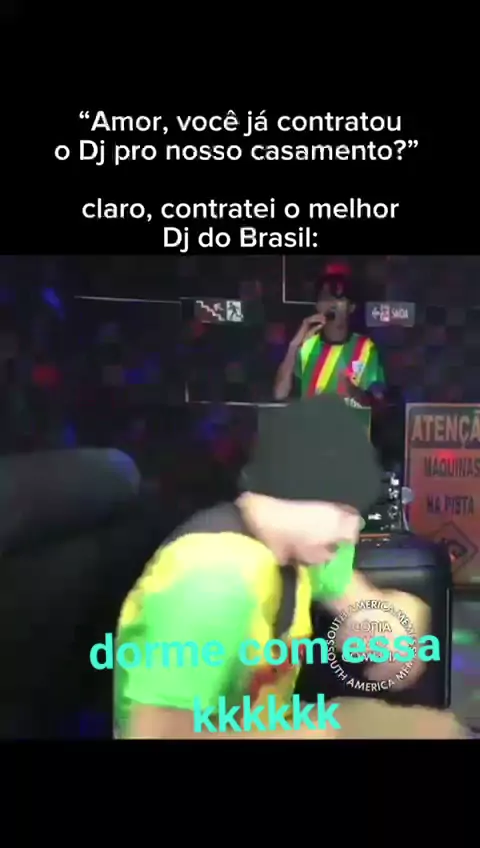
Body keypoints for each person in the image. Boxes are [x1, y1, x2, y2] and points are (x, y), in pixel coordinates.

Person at [114, 395, 439, 740]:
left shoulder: (305, 548)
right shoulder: (213, 583)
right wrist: (307, 735)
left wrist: (401, 623)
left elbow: (362, 604)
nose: (351, 534)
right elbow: (154, 733)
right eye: (343, 512)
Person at [274, 262, 385, 408]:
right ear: (317, 306)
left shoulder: (366, 347)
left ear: (351, 307)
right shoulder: (306, 345)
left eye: (339, 298)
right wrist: (293, 346)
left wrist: (353, 391)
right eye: (326, 297)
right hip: (312, 421)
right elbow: (279, 394)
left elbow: (378, 402)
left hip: (350, 422)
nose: (332, 304)